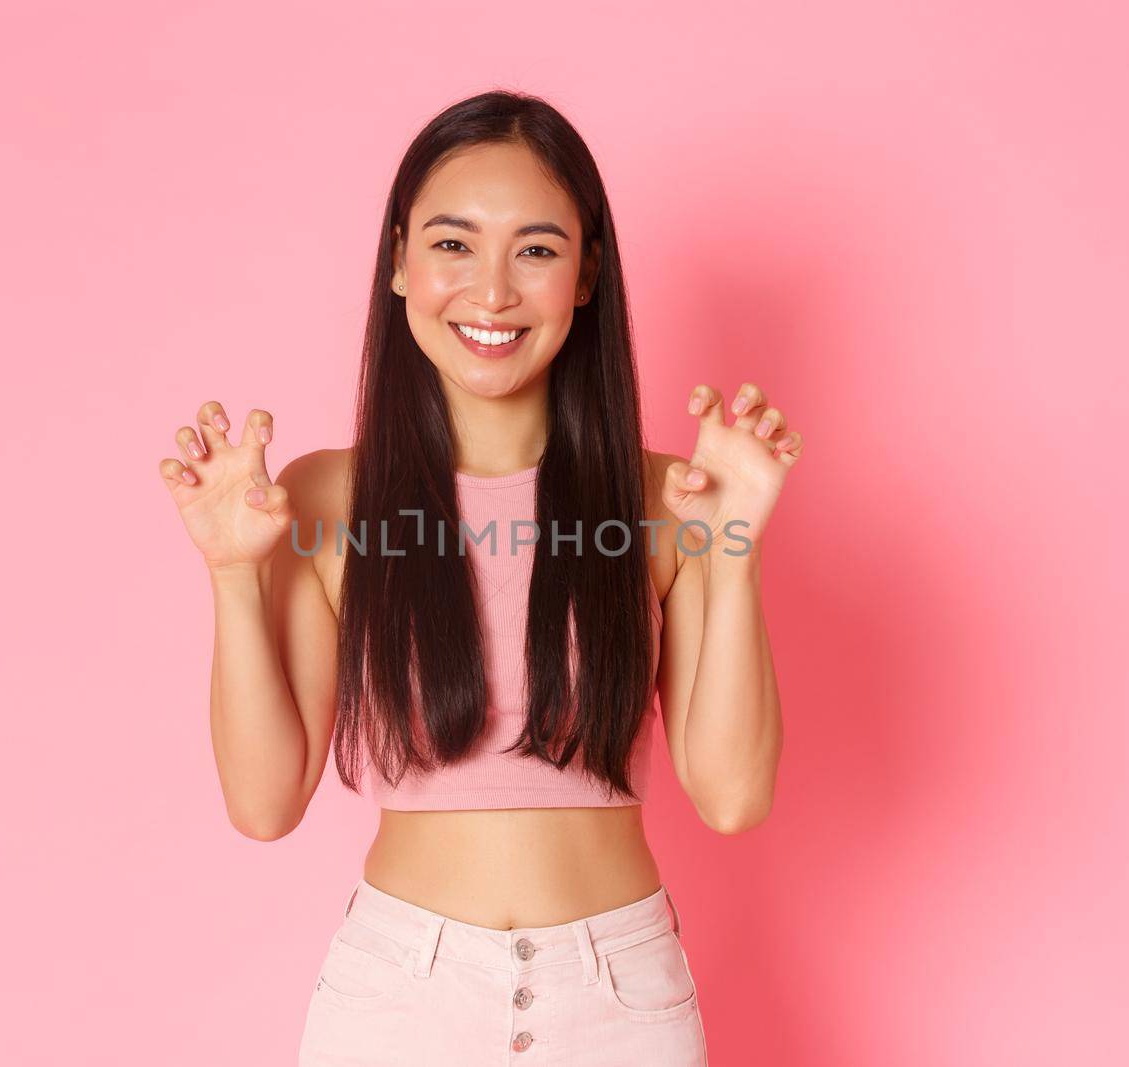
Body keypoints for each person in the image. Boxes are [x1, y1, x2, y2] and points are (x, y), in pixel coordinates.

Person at [158, 90, 803, 1065]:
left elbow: (730, 794)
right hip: (395, 1000)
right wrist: (232, 577)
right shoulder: (328, 497)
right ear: (398, 259)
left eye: (535, 249)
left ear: (586, 272)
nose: (491, 291)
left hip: (619, 1002)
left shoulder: (675, 496)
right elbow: (263, 803)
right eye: (453, 245)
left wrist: (737, 546)